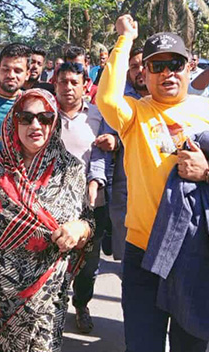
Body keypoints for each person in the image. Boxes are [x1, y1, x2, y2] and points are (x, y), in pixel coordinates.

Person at [98, 17, 209, 352]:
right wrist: (125, 38)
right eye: (156, 66)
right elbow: (107, 99)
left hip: (197, 251)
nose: (166, 73)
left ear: (191, 66)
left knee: (191, 345)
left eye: (174, 64)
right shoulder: (135, 114)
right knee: (143, 345)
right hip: (143, 251)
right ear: (143, 73)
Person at [0, 89, 94, 352]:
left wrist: (79, 229)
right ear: (14, 121)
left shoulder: (71, 169)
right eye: (26, 118)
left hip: (48, 297)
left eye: (44, 118)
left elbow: (88, 221)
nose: (35, 125)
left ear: (54, 122)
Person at [52, 61, 109, 334]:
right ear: (55, 84)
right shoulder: (44, 114)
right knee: (53, 262)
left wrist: (95, 184)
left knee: (87, 266)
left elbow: (106, 153)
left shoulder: (98, 116)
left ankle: (82, 304)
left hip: (91, 204)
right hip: (51, 205)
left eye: (74, 82)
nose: (68, 88)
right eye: (63, 82)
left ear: (85, 85)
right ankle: (52, 311)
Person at [89, 47, 145, 262]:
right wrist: (95, 180)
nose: (139, 71)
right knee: (129, 262)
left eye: (144, 65)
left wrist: (119, 140)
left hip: (160, 191)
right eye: (133, 67)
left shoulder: (166, 100)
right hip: (125, 190)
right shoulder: (118, 101)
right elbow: (102, 143)